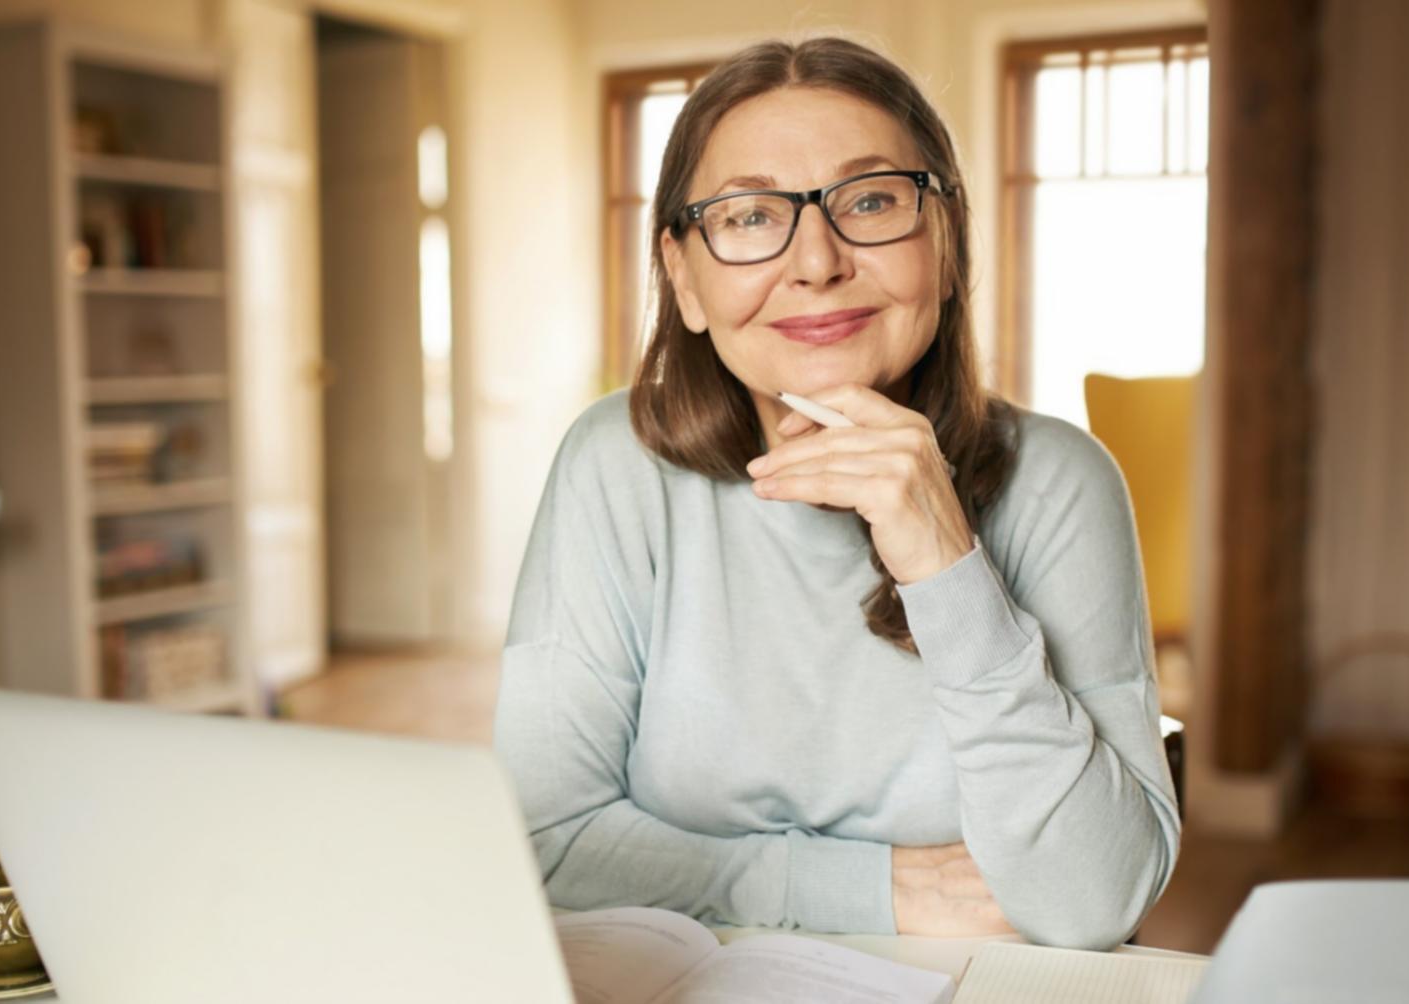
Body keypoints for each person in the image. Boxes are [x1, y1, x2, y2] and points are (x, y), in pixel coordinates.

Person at [493, 36, 1179, 951]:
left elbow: (1094, 902)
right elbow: (540, 847)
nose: (816, 260)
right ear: (684, 277)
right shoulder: (614, 463)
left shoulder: (1061, 480)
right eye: (746, 217)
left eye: (870, 201)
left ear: (942, 244)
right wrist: (872, 890)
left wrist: (947, 564)